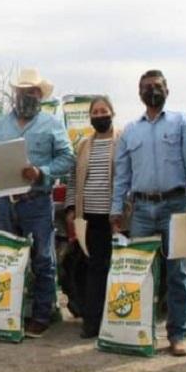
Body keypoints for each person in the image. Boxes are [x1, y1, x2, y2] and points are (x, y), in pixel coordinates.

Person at [0, 68, 74, 338]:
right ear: (15, 94)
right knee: (6, 258)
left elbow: (67, 158)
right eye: (22, 91)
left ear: (40, 95)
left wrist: (42, 171)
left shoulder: (52, 124)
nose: (26, 95)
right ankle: (9, 312)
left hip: (37, 202)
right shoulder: (0, 125)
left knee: (43, 258)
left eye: (32, 91)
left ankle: (43, 314)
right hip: (5, 203)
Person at [111, 70, 186, 356]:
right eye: (147, 87)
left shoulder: (181, 123)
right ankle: (141, 333)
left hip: (176, 205)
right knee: (141, 274)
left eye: (157, 86)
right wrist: (116, 210)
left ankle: (178, 334)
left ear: (167, 90)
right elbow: (122, 174)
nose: (152, 91)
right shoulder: (130, 131)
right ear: (139, 93)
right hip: (141, 210)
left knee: (177, 273)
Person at [64, 96, 121, 339]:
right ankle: (93, 321)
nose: (99, 115)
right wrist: (70, 208)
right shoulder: (84, 145)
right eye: (95, 112)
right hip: (89, 217)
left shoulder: (123, 141)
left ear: (112, 113)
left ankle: (119, 321)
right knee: (95, 269)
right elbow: (73, 178)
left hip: (116, 218)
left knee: (117, 269)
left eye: (103, 110)